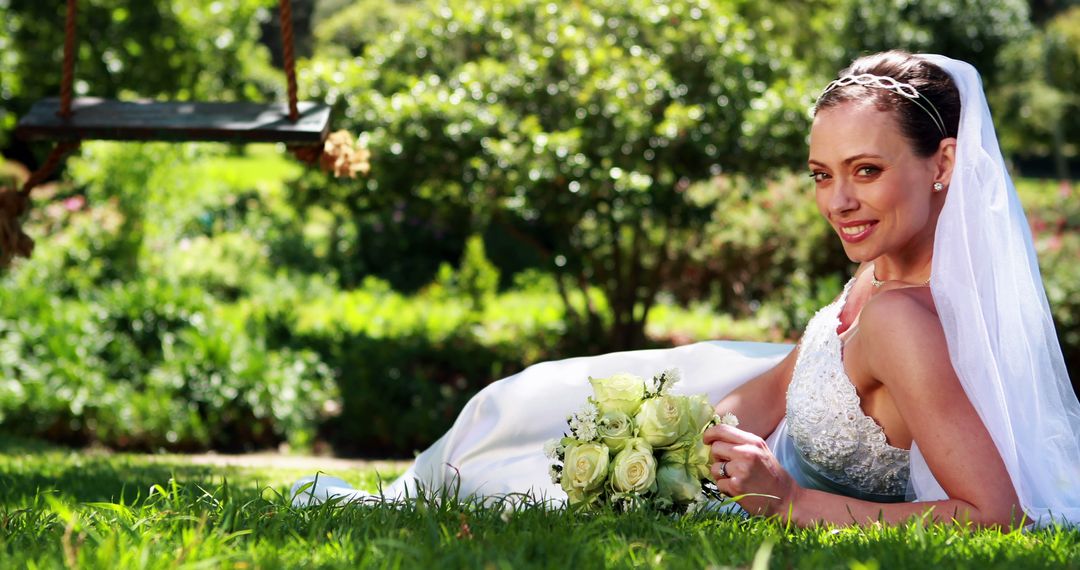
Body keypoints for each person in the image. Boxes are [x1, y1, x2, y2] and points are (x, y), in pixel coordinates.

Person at [293, 52, 1080, 527]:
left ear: (942, 164)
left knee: (504, 469)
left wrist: (791, 506)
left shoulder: (907, 318)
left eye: (866, 172)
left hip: (764, 484)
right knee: (524, 410)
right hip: (735, 452)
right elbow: (781, 383)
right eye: (822, 175)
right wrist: (656, 441)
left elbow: (994, 518)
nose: (839, 202)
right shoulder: (880, 271)